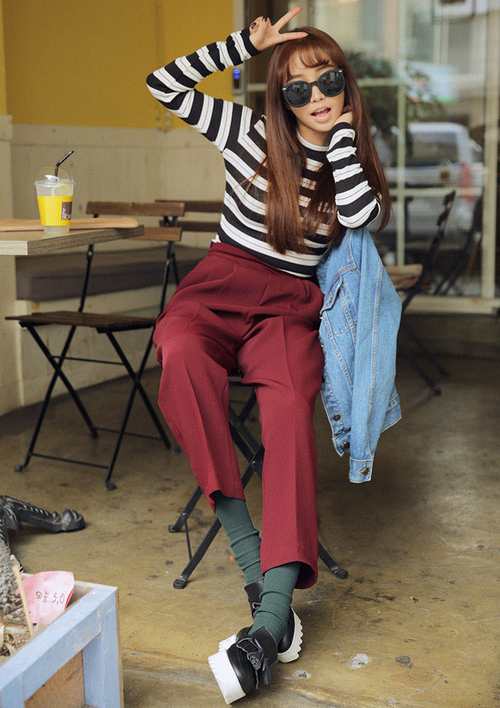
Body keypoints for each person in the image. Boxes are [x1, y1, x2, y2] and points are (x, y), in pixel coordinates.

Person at [147, 6, 391, 704]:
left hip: (287, 306)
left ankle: (272, 612)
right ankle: (247, 549)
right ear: (276, 97)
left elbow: (360, 216)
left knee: (287, 409)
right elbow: (162, 84)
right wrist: (240, 47)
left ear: (347, 86)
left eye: (328, 82)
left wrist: (340, 138)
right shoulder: (249, 134)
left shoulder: (354, 163)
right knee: (180, 349)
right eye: (297, 89)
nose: (315, 98)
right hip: (220, 283)